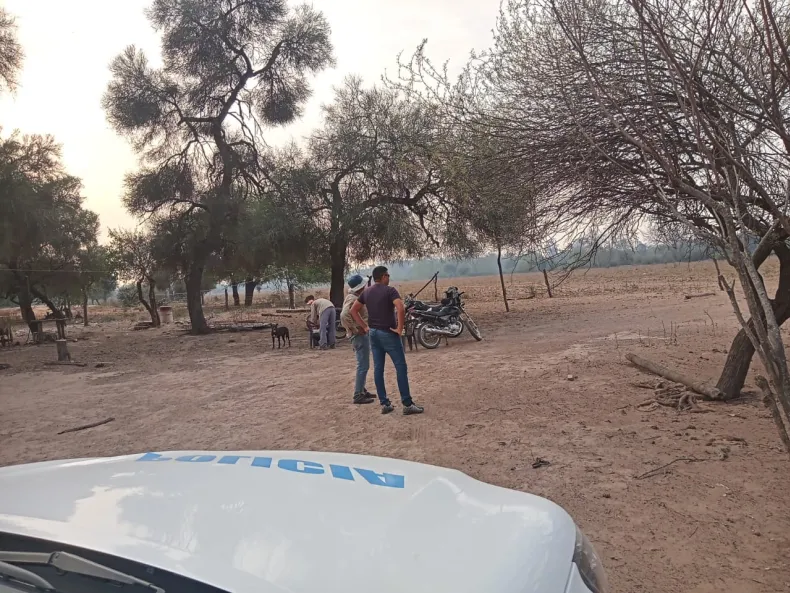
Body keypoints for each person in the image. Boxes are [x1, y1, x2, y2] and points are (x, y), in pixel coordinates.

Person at [351, 266, 424, 415]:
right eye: (388, 275)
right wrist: (399, 328)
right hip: (388, 333)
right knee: (400, 367)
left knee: (379, 369)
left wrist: (365, 327)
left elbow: (353, 310)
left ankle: (385, 403)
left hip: (373, 334)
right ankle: (407, 403)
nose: (389, 277)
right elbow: (400, 308)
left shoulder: (367, 292)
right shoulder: (390, 291)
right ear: (383, 276)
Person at [340, 274, 376, 405]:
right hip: (359, 336)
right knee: (363, 365)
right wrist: (355, 329)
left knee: (362, 364)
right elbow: (344, 315)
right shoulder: (354, 299)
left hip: (358, 335)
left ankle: (361, 389)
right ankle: (358, 394)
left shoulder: (352, 297)